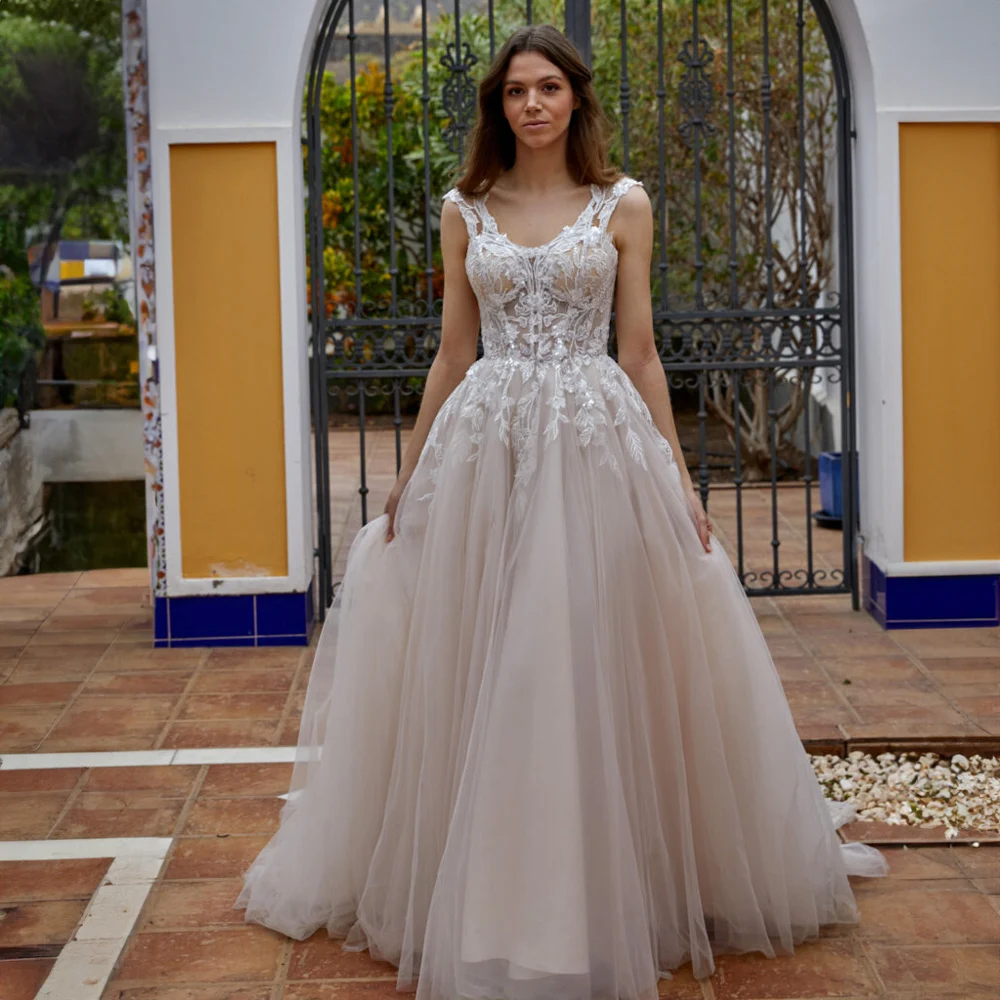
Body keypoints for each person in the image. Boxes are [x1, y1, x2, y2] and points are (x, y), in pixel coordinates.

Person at [236, 24, 887, 999]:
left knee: (579, 654)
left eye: (547, 88)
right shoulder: (465, 208)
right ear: (498, 107)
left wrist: (676, 476)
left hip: (593, 448)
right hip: (488, 449)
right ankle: (491, 890)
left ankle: (595, 885)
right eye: (514, 92)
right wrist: (409, 475)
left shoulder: (623, 205)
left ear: (574, 99)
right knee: (489, 659)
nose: (531, 104)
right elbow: (454, 353)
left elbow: (640, 353)